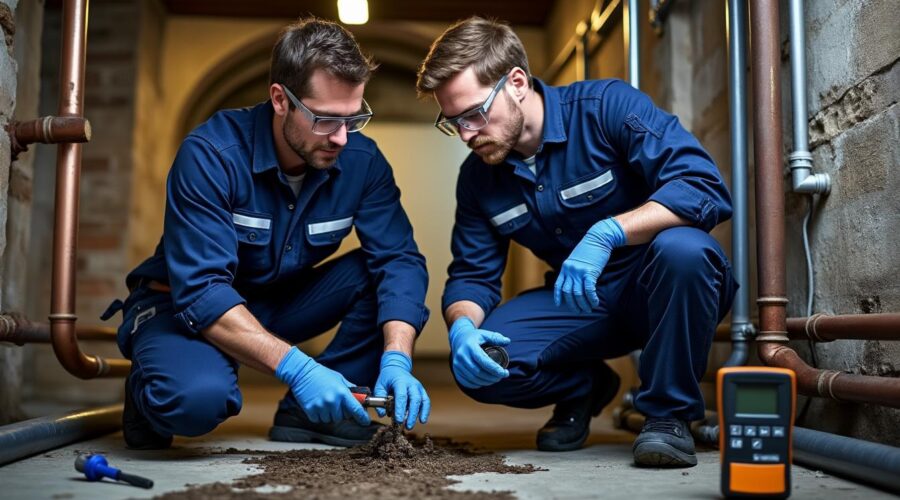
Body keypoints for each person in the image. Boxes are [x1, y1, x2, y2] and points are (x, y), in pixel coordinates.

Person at [416, 17, 737, 467]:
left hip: (662, 288)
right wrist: (463, 328)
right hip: (580, 302)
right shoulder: (477, 179)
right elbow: (472, 274)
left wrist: (609, 232)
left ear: (517, 82)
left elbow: (702, 186)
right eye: (453, 123)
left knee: (685, 250)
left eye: (474, 113)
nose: (467, 133)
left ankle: (668, 417)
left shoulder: (605, 107)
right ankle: (583, 387)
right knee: (482, 365)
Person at [103, 18, 431, 450]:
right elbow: (202, 291)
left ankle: (308, 416)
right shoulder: (212, 155)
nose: (342, 138)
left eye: (354, 118)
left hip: (278, 300)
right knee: (193, 402)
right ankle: (155, 382)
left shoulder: (363, 162)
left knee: (381, 276)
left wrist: (397, 356)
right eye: (326, 119)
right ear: (280, 99)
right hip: (182, 305)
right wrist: (298, 366)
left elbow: (399, 260)